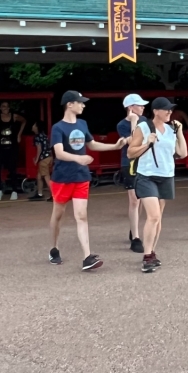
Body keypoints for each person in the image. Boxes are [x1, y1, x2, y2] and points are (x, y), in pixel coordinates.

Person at [48, 91, 117, 271]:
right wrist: (78, 158)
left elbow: (92, 144)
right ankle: (54, 248)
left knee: (81, 216)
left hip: (81, 176)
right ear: (69, 104)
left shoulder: (83, 123)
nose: (83, 105)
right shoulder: (58, 128)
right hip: (62, 178)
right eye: (80, 102)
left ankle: (87, 257)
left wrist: (115, 146)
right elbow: (59, 153)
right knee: (58, 215)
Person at [127, 97, 188, 273]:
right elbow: (131, 152)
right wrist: (148, 144)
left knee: (158, 218)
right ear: (155, 111)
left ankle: (152, 252)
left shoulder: (170, 130)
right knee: (153, 216)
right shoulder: (143, 127)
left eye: (170, 109)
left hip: (166, 176)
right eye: (166, 109)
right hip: (147, 176)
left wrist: (179, 132)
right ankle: (147, 257)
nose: (170, 112)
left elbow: (182, 153)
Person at [118, 94, 149, 253]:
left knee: (141, 198)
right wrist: (133, 122)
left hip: (144, 161)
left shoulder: (145, 121)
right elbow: (132, 142)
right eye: (139, 105)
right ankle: (135, 237)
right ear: (131, 107)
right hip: (129, 162)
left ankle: (134, 227)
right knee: (134, 200)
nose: (143, 107)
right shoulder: (122, 125)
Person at [0, 101, 26, 201]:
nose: (5, 108)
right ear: (0, 108)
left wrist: (19, 135)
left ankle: (14, 191)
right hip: (1, 146)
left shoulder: (14, 116)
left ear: (9, 108)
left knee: (12, 168)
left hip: (12, 145)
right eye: (3, 106)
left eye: (6, 106)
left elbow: (24, 121)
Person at [29, 120, 53, 202]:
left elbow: (39, 148)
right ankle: (39, 194)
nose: (32, 126)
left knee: (46, 177)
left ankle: (54, 195)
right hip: (48, 158)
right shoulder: (44, 135)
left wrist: (36, 159)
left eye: (34, 125)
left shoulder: (37, 137)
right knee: (39, 176)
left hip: (43, 159)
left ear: (37, 127)